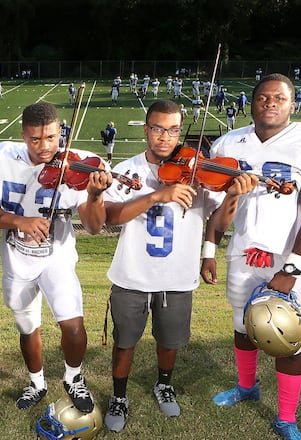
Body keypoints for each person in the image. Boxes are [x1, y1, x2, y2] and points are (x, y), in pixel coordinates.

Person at [202, 73, 301, 440]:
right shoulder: (230, 145)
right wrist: (209, 250)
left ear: (292, 105)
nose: (270, 102)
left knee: (288, 337)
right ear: (251, 102)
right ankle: (247, 386)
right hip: (244, 253)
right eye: (263, 97)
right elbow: (221, 210)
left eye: (278, 98)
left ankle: (286, 417)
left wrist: (289, 271)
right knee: (242, 328)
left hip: (291, 260)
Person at [81, 100, 227, 433]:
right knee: (125, 341)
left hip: (177, 276)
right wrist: (156, 196)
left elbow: (219, 219)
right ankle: (119, 396)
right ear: (146, 129)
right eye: (159, 129)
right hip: (132, 274)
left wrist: (232, 196)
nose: (166, 137)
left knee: (169, 341)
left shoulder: (197, 173)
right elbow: (109, 219)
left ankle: (164, 383)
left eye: (173, 130)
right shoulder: (128, 170)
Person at [0, 101, 102, 416]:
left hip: (57, 258)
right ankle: (36, 383)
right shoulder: (1, 158)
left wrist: (94, 194)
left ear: (61, 132)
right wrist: (20, 222)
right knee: (27, 326)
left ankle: (74, 378)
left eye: (51, 138)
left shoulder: (76, 166)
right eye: (35, 139)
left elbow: (92, 225)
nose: (45, 147)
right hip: (17, 258)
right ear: (23, 136)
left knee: (73, 325)